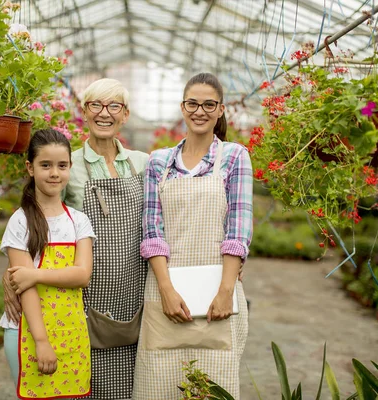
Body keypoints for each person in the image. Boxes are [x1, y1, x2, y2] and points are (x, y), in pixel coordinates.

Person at [4, 78, 149, 399]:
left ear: (125, 115)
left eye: (114, 106)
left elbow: (159, 226)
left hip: (134, 296)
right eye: (96, 105)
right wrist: (13, 274)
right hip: (82, 303)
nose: (104, 113)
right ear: (84, 112)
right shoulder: (71, 164)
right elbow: (39, 222)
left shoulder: (144, 164)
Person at [132, 72, 253, 399]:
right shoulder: (159, 163)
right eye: (193, 104)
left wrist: (225, 290)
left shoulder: (234, 157)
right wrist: (167, 290)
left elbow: (238, 229)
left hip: (219, 297)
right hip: (164, 295)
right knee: (158, 387)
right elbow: (152, 231)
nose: (200, 111)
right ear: (182, 108)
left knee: (214, 387)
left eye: (208, 105)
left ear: (221, 110)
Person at [0, 128, 96, 399]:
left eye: (62, 166)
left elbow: (82, 275)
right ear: (30, 168)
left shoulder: (79, 220)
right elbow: (23, 287)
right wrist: (41, 342)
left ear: (70, 168)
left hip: (70, 331)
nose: (54, 173)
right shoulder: (20, 221)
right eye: (46, 165)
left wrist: (36, 275)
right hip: (27, 333)